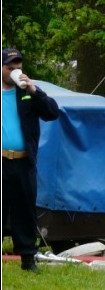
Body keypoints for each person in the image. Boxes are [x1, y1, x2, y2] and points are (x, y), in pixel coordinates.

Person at [2, 47, 60, 272]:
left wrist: (34, 90)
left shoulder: (27, 92)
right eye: (10, 68)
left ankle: (28, 258)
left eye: (18, 67)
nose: (15, 72)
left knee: (25, 211)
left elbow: (52, 113)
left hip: (24, 161)